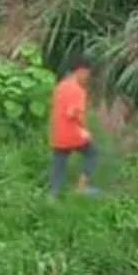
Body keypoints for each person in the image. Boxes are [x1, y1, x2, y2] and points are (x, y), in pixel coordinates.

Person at [49, 56, 99, 197]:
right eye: (88, 74)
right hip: (74, 133)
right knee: (92, 154)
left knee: (59, 165)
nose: (87, 77)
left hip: (58, 134)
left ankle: (53, 196)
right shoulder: (78, 90)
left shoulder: (60, 87)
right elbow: (74, 113)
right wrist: (85, 130)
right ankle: (81, 187)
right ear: (81, 71)